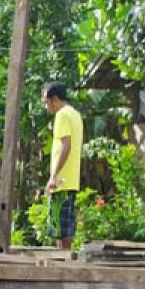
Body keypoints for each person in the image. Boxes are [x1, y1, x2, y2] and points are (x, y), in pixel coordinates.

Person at [43, 82, 84, 250]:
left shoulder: (62, 115)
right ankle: (65, 261)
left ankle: (63, 264)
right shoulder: (75, 114)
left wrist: (53, 176)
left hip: (61, 181)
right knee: (64, 228)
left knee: (60, 229)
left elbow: (66, 145)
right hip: (70, 180)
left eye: (46, 102)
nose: (46, 106)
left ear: (54, 99)